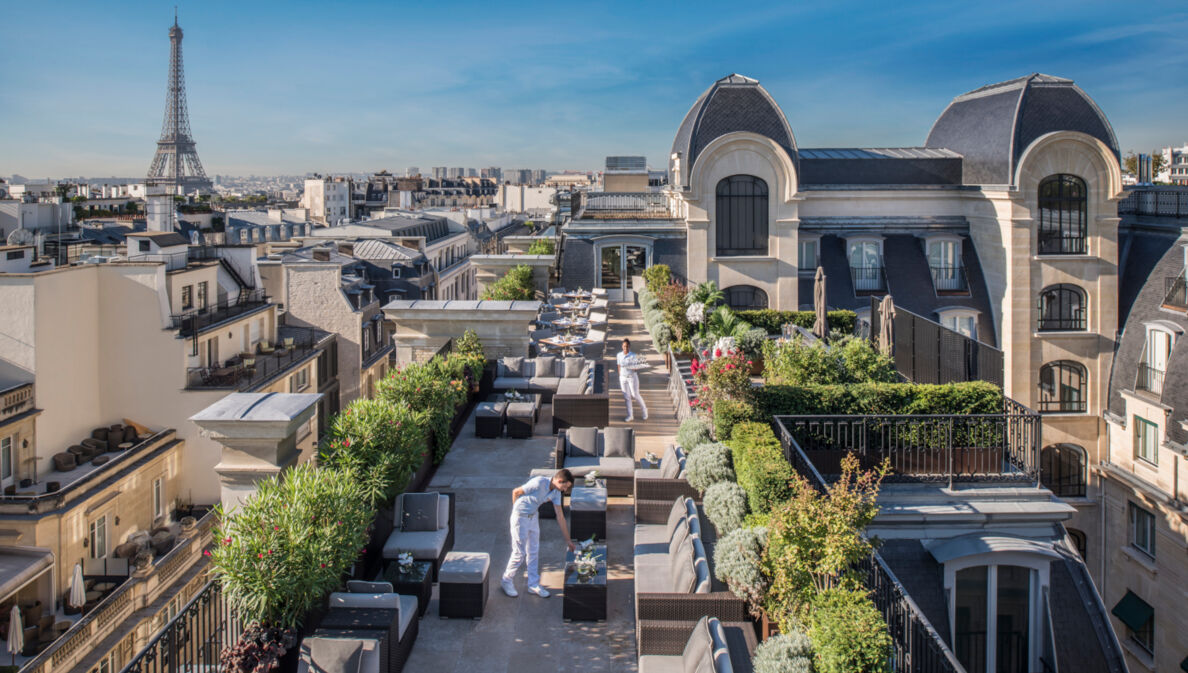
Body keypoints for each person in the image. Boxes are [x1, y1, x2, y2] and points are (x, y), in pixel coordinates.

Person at [502, 469, 575, 598]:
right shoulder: (539, 482)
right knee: (519, 553)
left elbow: (560, 516)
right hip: (520, 518)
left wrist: (568, 540)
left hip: (534, 516)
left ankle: (533, 584)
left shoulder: (556, 492)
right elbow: (516, 492)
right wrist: (517, 512)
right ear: (559, 481)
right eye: (565, 486)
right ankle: (506, 580)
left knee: (534, 550)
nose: (564, 490)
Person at [616, 338, 648, 422]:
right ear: (622, 346)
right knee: (627, 397)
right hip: (623, 378)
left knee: (635, 395)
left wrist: (631, 366)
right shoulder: (619, 355)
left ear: (629, 347)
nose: (625, 348)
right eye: (624, 346)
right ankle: (630, 415)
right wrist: (620, 375)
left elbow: (636, 368)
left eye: (627, 346)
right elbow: (618, 365)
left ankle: (644, 411)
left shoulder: (633, 355)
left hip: (632, 377)